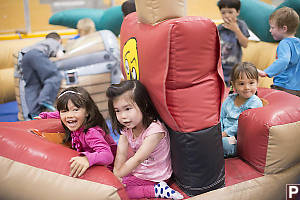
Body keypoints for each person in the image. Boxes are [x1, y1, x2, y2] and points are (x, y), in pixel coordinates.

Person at [106, 80, 183, 199]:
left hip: (156, 177)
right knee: (111, 185)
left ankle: (157, 190)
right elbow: (120, 154)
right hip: (140, 173)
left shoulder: (154, 131)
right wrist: (116, 175)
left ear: (144, 105)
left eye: (127, 109)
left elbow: (137, 159)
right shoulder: (127, 128)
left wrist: (116, 178)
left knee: (117, 193)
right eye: (117, 111)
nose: (123, 116)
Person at [38, 86, 117, 178]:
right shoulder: (74, 120)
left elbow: (107, 155)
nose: (69, 115)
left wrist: (87, 159)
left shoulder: (90, 132)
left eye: (75, 110)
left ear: (87, 112)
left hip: (109, 171)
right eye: (64, 111)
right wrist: (45, 116)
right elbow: (60, 114)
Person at [221, 62, 263, 158]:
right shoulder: (229, 99)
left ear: (257, 83)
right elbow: (221, 117)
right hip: (223, 134)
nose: (247, 88)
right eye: (241, 84)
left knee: (223, 144)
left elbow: (243, 124)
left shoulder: (255, 103)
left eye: (251, 83)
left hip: (239, 139)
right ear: (233, 85)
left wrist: (225, 134)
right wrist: (218, 132)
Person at [20, 32, 64, 119]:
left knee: (32, 85)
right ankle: (45, 99)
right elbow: (61, 56)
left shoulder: (39, 44)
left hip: (25, 57)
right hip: (37, 55)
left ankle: (34, 113)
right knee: (54, 76)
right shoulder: (56, 43)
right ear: (60, 40)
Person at [258, 7, 300, 97]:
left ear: (284, 28)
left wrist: (266, 72)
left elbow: (284, 60)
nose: (270, 30)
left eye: (272, 27)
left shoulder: (285, 43)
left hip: (283, 87)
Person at [217, 0, 250, 86]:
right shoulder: (219, 28)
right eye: (223, 13)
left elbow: (245, 44)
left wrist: (236, 29)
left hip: (235, 69)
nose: (227, 15)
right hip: (221, 68)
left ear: (238, 12)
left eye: (230, 12)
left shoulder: (241, 25)